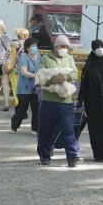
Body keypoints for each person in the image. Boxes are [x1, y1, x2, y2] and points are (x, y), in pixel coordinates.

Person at [35, 35, 82, 167]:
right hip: (48, 101)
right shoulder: (45, 59)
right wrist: (51, 80)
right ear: (56, 47)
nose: (65, 49)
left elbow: (74, 74)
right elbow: (40, 76)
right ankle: (44, 156)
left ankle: (73, 156)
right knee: (45, 130)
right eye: (62, 46)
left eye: (67, 47)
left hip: (66, 102)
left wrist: (66, 77)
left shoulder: (69, 59)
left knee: (68, 130)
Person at [11, 36, 40, 133]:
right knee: (22, 108)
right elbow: (24, 72)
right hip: (24, 88)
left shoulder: (40, 57)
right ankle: (14, 125)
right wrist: (36, 76)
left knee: (37, 109)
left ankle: (35, 128)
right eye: (33, 46)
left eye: (36, 45)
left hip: (36, 88)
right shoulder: (24, 58)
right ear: (27, 48)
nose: (35, 47)